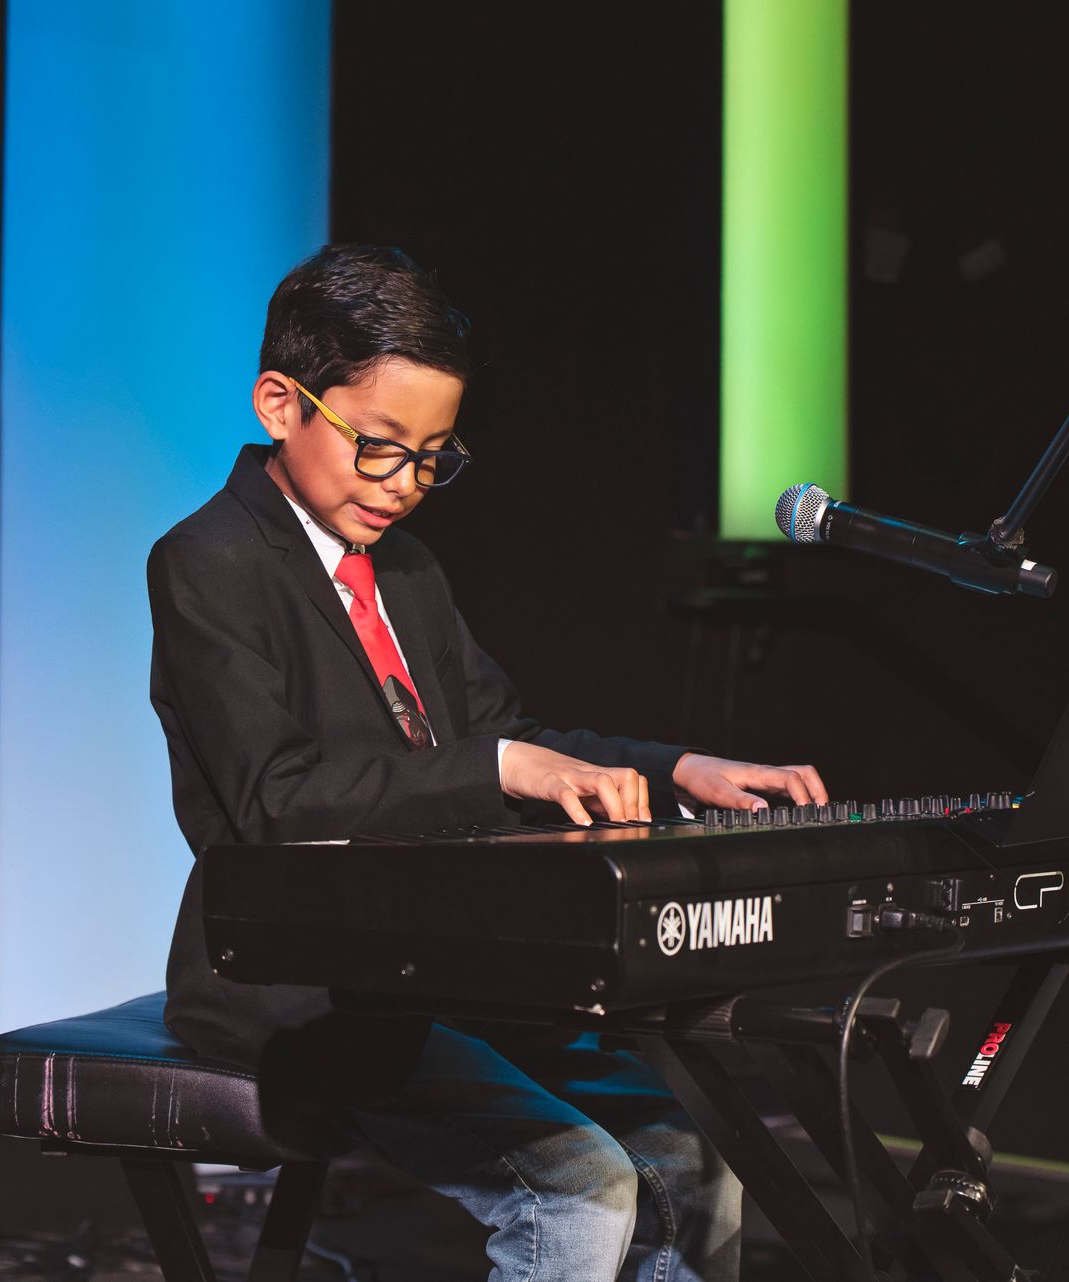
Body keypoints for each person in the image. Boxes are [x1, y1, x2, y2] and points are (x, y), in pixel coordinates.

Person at [147, 244, 830, 1282]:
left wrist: (679, 765)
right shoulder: (209, 562)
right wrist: (505, 765)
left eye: (433, 457)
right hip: (296, 986)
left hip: (432, 968)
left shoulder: (407, 571)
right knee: (581, 1189)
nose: (407, 484)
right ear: (281, 404)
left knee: (695, 1158)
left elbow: (509, 737)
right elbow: (276, 800)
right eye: (379, 447)